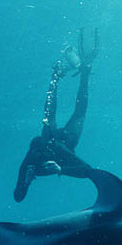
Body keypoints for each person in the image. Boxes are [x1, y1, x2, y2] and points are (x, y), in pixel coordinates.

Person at [13, 28, 99, 202]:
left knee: (49, 115)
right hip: (68, 143)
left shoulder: (39, 154)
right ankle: (84, 72)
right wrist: (60, 170)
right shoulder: (33, 163)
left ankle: (56, 77)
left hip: (58, 144)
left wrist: (54, 81)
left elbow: (49, 115)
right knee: (79, 111)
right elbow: (88, 171)